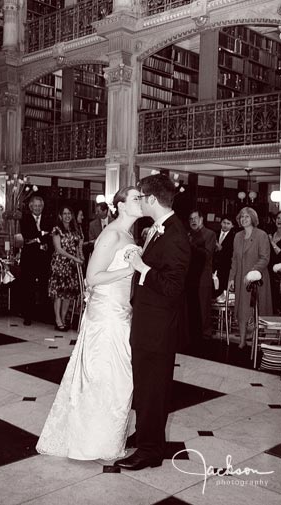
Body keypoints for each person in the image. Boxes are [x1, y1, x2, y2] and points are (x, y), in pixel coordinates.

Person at [36, 186, 140, 460]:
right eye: (136, 199)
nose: (141, 202)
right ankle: (94, 441)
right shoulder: (112, 234)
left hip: (120, 310)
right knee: (106, 376)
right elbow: (92, 278)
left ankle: (108, 438)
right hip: (106, 314)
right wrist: (131, 268)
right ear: (120, 205)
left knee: (117, 378)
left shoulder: (129, 233)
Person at [117, 174, 190, 471]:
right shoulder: (161, 229)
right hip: (148, 323)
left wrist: (142, 267)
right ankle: (147, 436)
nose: (138, 200)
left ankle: (150, 452)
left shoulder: (175, 235)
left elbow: (173, 287)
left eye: (140, 196)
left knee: (153, 389)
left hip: (158, 329)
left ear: (151, 200)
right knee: (146, 387)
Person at [227, 207, 272, 349]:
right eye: (241, 217)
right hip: (241, 279)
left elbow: (265, 258)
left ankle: (257, 339)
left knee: (256, 309)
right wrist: (231, 278)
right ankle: (242, 341)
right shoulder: (237, 236)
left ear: (253, 218)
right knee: (241, 310)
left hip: (257, 279)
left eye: (246, 216)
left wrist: (251, 273)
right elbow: (234, 259)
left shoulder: (261, 235)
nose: (244, 219)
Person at [48, 206, 84, 331]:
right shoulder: (57, 230)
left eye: (69, 213)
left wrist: (80, 258)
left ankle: (63, 318)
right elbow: (58, 249)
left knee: (68, 294)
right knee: (58, 293)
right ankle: (57, 319)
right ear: (60, 216)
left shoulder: (75, 229)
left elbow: (78, 246)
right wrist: (74, 258)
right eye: (64, 213)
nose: (67, 216)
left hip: (72, 266)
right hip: (60, 264)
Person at [19, 195, 52, 325]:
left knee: (44, 287)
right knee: (28, 288)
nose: (38, 208)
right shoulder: (25, 219)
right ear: (31, 207)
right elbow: (28, 234)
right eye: (35, 206)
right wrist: (42, 235)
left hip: (44, 259)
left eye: (40, 206)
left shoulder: (48, 218)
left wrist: (38, 237)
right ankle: (27, 315)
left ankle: (44, 315)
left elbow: (50, 235)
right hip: (29, 259)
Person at [186, 210, 217, 340]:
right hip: (189, 275)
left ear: (202, 219)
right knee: (190, 306)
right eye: (190, 219)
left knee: (203, 304)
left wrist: (190, 245)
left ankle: (205, 334)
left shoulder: (210, 234)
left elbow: (206, 254)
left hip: (203, 275)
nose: (193, 221)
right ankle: (192, 332)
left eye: (195, 218)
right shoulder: (189, 234)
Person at [213, 216, 236, 295]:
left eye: (228, 223)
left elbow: (232, 253)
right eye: (224, 223)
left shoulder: (234, 237)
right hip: (214, 267)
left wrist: (221, 249)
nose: (225, 225)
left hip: (226, 267)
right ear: (221, 223)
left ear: (232, 226)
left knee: (223, 289)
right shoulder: (214, 234)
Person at [268, 210, 281, 314]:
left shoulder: (271, 238)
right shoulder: (270, 233)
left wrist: (272, 242)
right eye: (278, 218)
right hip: (269, 272)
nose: (279, 220)